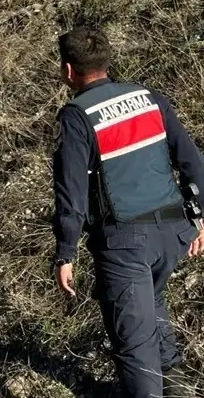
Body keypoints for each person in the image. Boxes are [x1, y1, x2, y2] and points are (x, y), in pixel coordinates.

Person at [51, 26, 203, 398]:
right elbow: (192, 161)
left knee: (135, 346)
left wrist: (65, 252)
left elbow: (70, 192)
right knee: (152, 307)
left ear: (69, 70)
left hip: (125, 242)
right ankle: (179, 391)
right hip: (172, 233)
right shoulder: (148, 98)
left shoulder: (76, 115)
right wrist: (199, 218)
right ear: (107, 61)